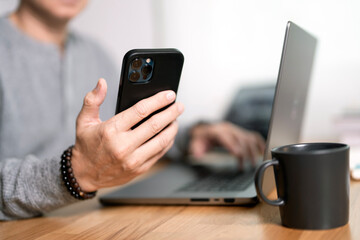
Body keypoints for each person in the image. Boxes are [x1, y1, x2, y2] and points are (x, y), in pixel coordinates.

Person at [0, 0, 265, 220]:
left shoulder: (94, 53)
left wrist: (192, 135)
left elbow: (119, 136)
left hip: (85, 221)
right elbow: (90, 161)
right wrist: (75, 173)